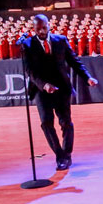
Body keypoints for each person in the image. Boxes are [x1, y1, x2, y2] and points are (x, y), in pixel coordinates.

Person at [22, 14, 98, 170]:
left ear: (49, 26)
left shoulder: (61, 40)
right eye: (38, 29)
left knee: (66, 122)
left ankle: (67, 154)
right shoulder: (27, 45)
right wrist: (44, 85)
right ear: (33, 29)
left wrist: (88, 78)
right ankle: (60, 155)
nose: (41, 31)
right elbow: (30, 71)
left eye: (44, 27)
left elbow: (74, 62)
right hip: (41, 89)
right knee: (46, 123)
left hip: (61, 88)